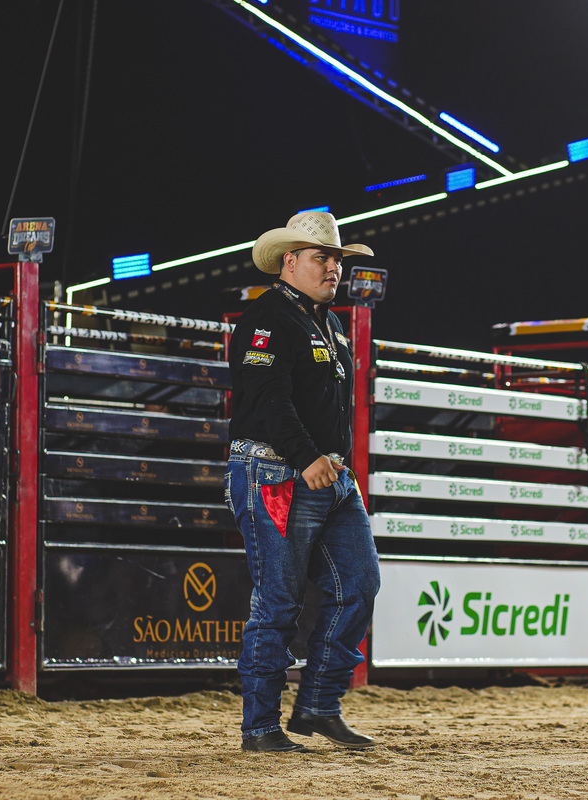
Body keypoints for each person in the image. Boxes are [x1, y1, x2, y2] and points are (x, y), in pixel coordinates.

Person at [224, 210, 381, 753]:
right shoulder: (268, 319)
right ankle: (260, 727)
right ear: (289, 262)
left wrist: (324, 459)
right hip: (277, 471)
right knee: (279, 601)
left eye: (337, 259)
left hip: (324, 473)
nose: (333, 268)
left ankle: (317, 705)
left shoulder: (326, 323)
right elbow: (268, 398)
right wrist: (308, 455)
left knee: (359, 585)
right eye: (322, 257)